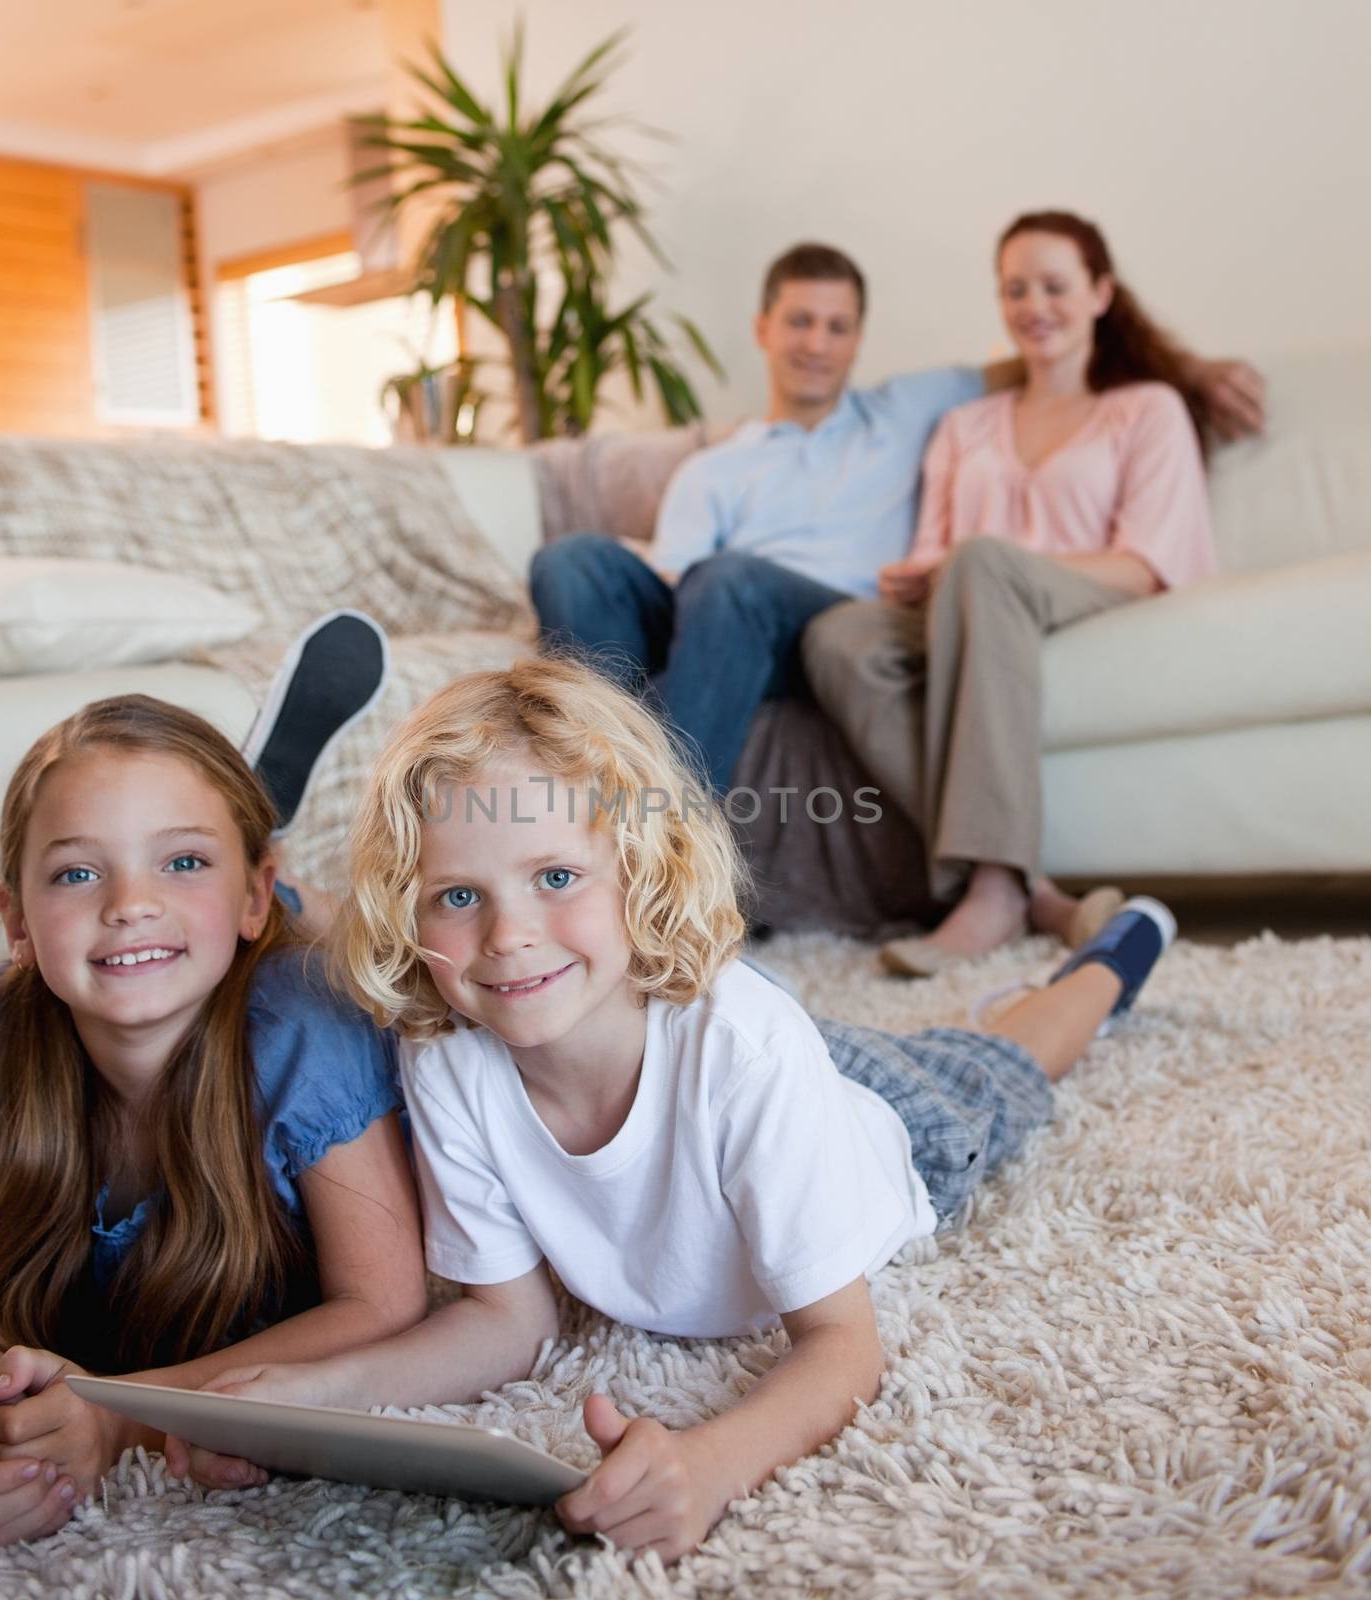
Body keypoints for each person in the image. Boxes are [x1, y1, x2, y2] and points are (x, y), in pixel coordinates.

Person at [182, 657, 1179, 1564]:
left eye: (557, 877)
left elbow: (843, 1345)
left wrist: (708, 1465)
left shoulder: (744, 1047)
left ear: (641, 869)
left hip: (893, 1128)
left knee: (1008, 1058)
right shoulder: (446, 1051)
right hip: (706, 1042)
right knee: (791, 1034)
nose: (507, 937)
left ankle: (1107, 962)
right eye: (455, 897)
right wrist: (306, 1396)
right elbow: (506, 1321)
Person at [0, 686, 423, 1546]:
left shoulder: (307, 1033)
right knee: (187, 934)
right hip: (227, 931)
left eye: (179, 861)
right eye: (77, 873)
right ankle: (234, 833)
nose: (128, 904)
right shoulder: (5, 1038)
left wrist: (120, 1418)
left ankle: (284, 864)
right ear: (15, 919)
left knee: (378, 962)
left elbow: (383, 1304)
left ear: (250, 896)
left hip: (298, 974)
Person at [529, 240, 1264, 802]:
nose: (816, 343)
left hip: (828, 625)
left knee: (731, 580)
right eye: (800, 322)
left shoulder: (906, 409)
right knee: (569, 561)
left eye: (837, 327)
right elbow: (666, 585)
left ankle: (667, 847)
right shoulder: (713, 468)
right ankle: (604, 796)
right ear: (763, 328)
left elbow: (1053, 349)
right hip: (718, 624)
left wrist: (1188, 371)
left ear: (857, 339)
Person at [803, 211, 1221, 978]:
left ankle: (994, 888)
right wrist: (924, 573)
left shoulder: (1145, 409)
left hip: (1088, 596)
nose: (1035, 305)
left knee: (987, 563)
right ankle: (1040, 893)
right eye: (1015, 288)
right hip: (968, 601)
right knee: (838, 636)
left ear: (1100, 293)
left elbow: (1148, 562)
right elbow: (935, 552)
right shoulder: (967, 424)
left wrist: (989, 562)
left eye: (1055, 285)